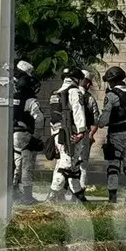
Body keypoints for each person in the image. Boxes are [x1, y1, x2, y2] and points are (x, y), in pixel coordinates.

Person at [47, 68, 92, 203]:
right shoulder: (74, 91)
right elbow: (78, 112)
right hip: (70, 134)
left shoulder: (55, 94)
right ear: (77, 79)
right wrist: (81, 132)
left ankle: (79, 195)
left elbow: (53, 118)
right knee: (66, 166)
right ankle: (53, 196)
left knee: (73, 165)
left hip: (57, 134)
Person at [101, 66, 126, 204]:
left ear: (111, 81)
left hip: (116, 135)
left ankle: (112, 199)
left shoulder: (111, 95)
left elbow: (104, 119)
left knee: (113, 166)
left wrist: (98, 123)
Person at [11, 60, 46, 205]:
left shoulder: (10, 95)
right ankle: (27, 196)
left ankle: (12, 192)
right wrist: (36, 137)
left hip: (13, 134)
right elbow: (39, 119)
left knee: (16, 165)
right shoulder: (30, 100)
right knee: (27, 166)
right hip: (25, 134)